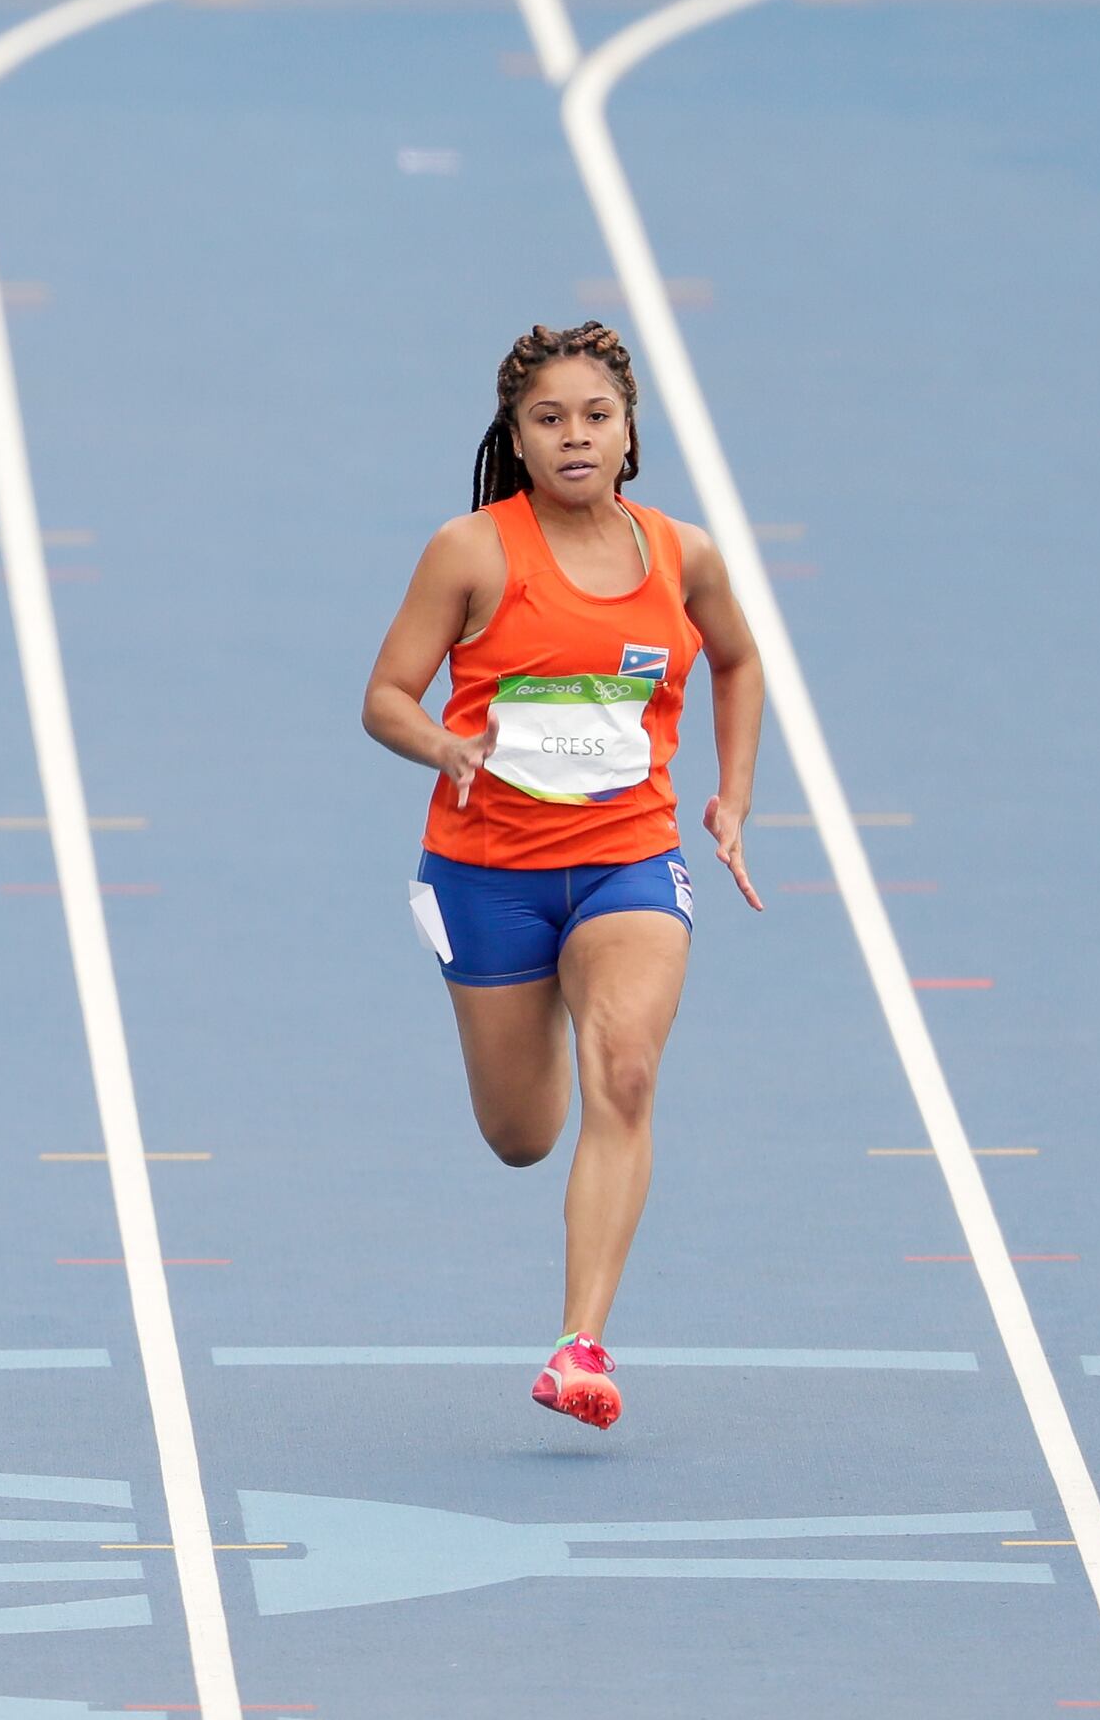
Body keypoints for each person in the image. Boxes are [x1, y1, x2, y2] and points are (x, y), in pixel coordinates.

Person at [361, 322, 760, 1431]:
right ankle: (494, 1008)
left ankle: (581, 1344)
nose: (575, 436)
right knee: (523, 1135)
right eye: (549, 420)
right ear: (519, 440)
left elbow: (737, 657)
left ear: (631, 434)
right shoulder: (473, 552)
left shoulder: (684, 555)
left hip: (629, 858)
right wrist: (442, 746)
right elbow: (385, 695)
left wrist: (733, 793)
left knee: (624, 1071)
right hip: (488, 874)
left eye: (596, 416)